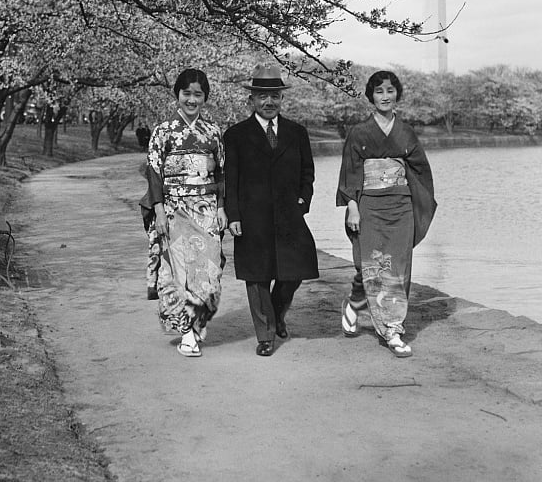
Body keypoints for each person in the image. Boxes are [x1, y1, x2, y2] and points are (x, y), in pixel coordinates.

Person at [336, 70, 437, 358]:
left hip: (401, 205)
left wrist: (415, 198)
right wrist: (352, 206)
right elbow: (350, 172)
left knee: (399, 266)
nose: (385, 96)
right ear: (371, 96)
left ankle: (392, 328)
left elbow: (420, 171)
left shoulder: (406, 132)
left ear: (397, 95)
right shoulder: (359, 132)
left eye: (390, 91)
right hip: (369, 204)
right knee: (370, 264)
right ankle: (357, 302)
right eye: (379, 91)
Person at [223, 65, 319, 357]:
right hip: (252, 217)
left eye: (274, 96)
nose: (269, 102)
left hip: (290, 215)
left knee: (296, 270)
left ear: (281, 99)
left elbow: (307, 172)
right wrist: (234, 215)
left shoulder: (297, 132)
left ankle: (277, 314)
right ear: (251, 100)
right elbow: (231, 179)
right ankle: (265, 334)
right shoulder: (236, 135)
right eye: (262, 96)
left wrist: (303, 201)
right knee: (257, 275)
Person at [143, 68, 227, 357]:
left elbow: (222, 173)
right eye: (186, 93)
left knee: (208, 272)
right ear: (177, 95)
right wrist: (158, 211)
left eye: (198, 95)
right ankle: (189, 335)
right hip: (175, 208)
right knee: (180, 274)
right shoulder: (163, 132)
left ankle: (198, 322)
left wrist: (222, 208)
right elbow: (154, 173)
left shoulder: (213, 132)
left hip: (206, 208)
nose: (192, 100)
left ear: (205, 98)